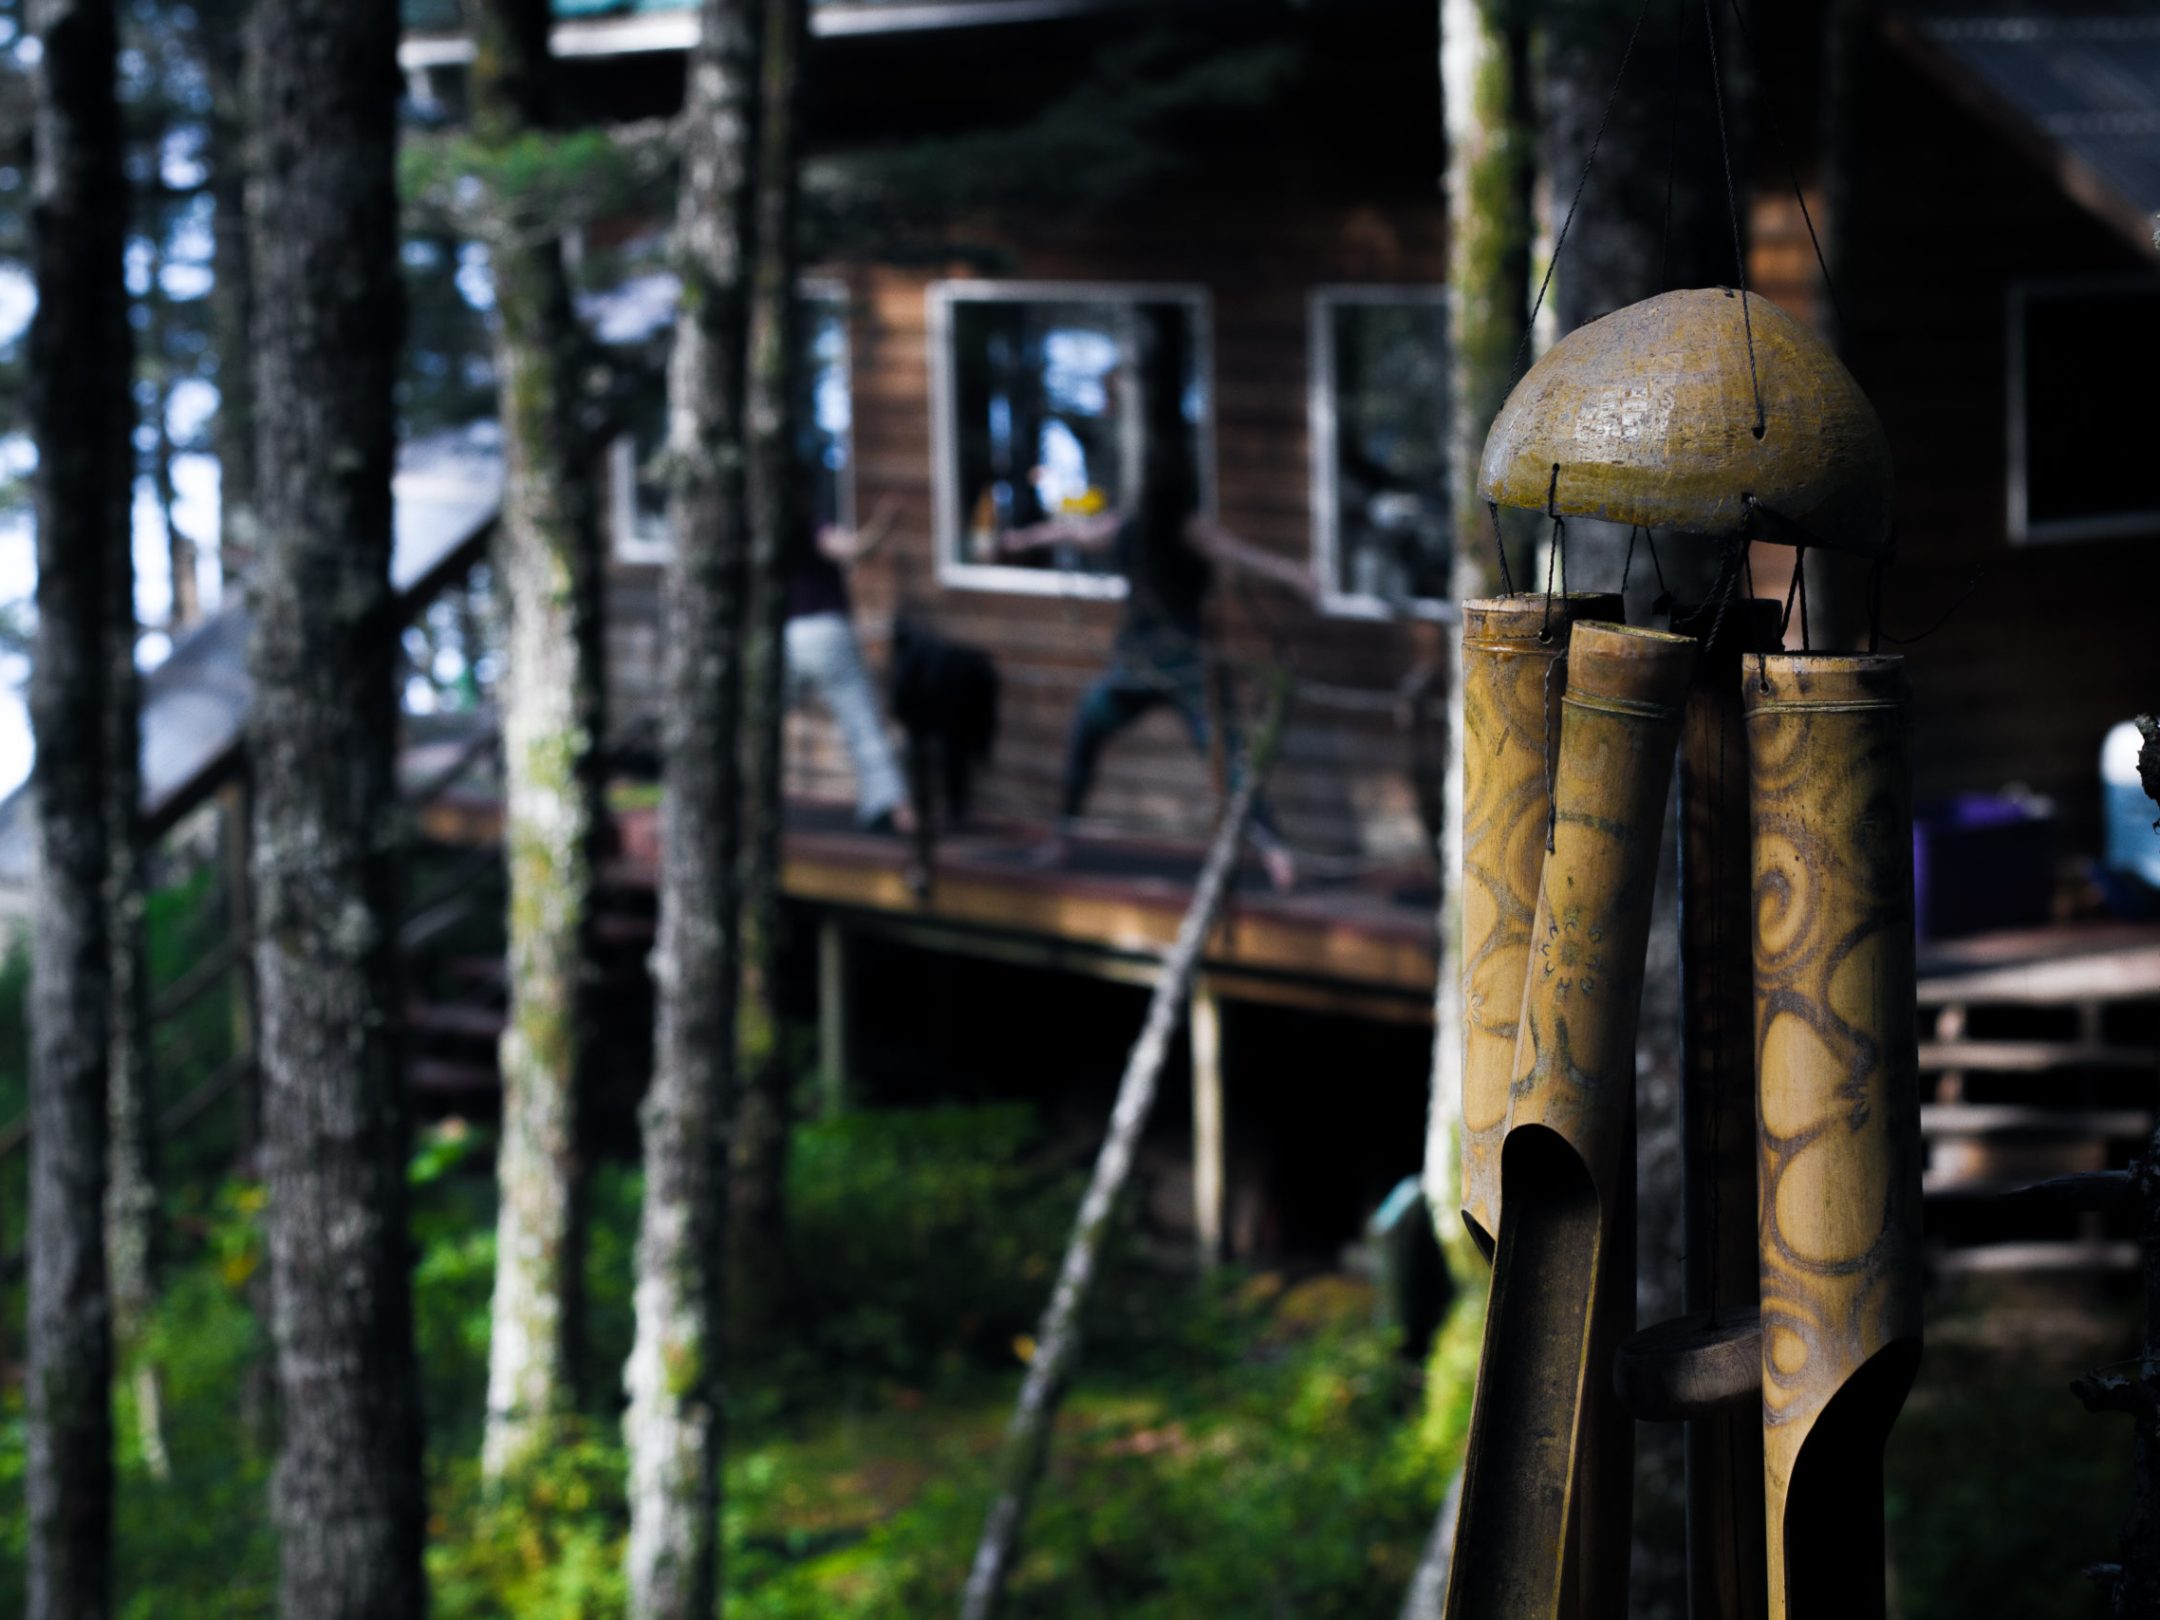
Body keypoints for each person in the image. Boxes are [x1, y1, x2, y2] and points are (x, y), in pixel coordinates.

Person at [999, 442, 1313, 890]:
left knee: (1226, 758)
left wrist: (1023, 539)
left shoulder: (1170, 528)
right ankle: (1063, 836)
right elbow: (1076, 533)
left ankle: (1275, 851)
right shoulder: (1150, 528)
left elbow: (1078, 534)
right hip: (1146, 668)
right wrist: (1024, 539)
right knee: (1207, 753)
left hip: (1175, 668)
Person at [786, 481, 915, 834]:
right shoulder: (812, 527)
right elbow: (853, 548)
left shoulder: (764, 532)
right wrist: (882, 525)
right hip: (828, 633)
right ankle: (895, 808)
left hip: (789, 637)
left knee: (761, 717)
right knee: (862, 721)